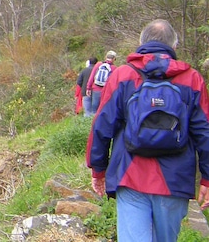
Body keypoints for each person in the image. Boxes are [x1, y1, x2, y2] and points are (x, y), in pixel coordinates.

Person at [87, 19, 209, 242]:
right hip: (175, 180)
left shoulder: (123, 75)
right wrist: (207, 179)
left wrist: (98, 169)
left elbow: (102, 126)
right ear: (174, 45)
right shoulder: (192, 79)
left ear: (141, 42)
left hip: (130, 175)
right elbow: (205, 133)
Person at [84, 50, 117, 116]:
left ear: (105, 57)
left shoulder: (98, 64)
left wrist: (88, 88)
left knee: (94, 110)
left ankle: (92, 123)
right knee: (103, 109)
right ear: (114, 59)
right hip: (106, 91)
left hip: (96, 89)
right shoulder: (114, 68)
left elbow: (92, 77)